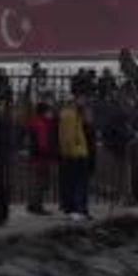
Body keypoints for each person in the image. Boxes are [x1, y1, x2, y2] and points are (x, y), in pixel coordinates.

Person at [58, 88, 92, 221]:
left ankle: (79, 208)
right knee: (77, 183)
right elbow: (68, 137)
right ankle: (77, 209)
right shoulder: (70, 114)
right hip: (76, 153)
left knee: (76, 182)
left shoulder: (75, 114)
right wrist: (72, 151)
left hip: (78, 152)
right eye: (83, 98)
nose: (85, 101)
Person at [25, 103, 55, 215]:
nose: (51, 114)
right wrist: (50, 152)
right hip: (42, 157)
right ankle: (37, 205)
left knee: (37, 181)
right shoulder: (41, 124)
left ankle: (33, 204)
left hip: (35, 156)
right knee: (41, 182)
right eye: (49, 111)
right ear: (44, 112)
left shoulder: (34, 122)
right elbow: (43, 143)